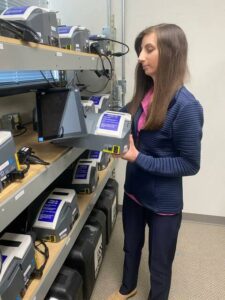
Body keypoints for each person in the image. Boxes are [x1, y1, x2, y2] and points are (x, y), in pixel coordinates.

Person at [107, 24, 204, 300]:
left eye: (149, 49)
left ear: (172, 53)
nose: (140, 56)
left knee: (159, 265)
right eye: (140, 49)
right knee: (131, 246)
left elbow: (189, 164)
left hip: (163, 203)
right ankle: (128, 288)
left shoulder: (186, 107)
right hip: (134, 191)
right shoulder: (144, 93)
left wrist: (138, 158)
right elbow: (128, 129)